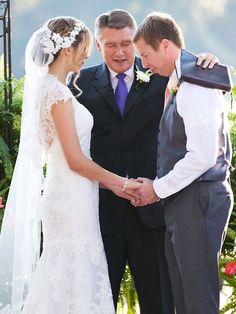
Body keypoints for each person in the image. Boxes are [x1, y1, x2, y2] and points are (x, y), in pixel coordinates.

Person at [69, 9, 219, 313]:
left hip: (152, 211)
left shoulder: (160, 73)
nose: (120, 52)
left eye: (126, 43)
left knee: (160, 303)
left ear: (136, 43)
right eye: (110, 45)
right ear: (98, 46)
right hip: (101, 212)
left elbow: (187, 71)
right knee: (98, 302)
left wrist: (205, 61)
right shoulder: (79, 84)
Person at [0, 16, 141, 314]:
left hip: (69, 192)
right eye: (84, 46)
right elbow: (76, 160)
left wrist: (114, 186)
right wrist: (122, 183)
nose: (87, 54)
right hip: (71, 201)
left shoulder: (48, 89)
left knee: (63, 276)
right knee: (74, 275)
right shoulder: (58, 93)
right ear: (67, 49)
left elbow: (70, 161)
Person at [133, 12, 233, 314]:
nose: (145, 64)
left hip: (198, 201)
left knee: (197, 298)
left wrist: (157, 189)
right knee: (184, 297)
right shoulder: (182, 80)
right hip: (185, 202)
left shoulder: (196, 85)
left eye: (146, 55)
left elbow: (203, 156)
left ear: (165, 45)